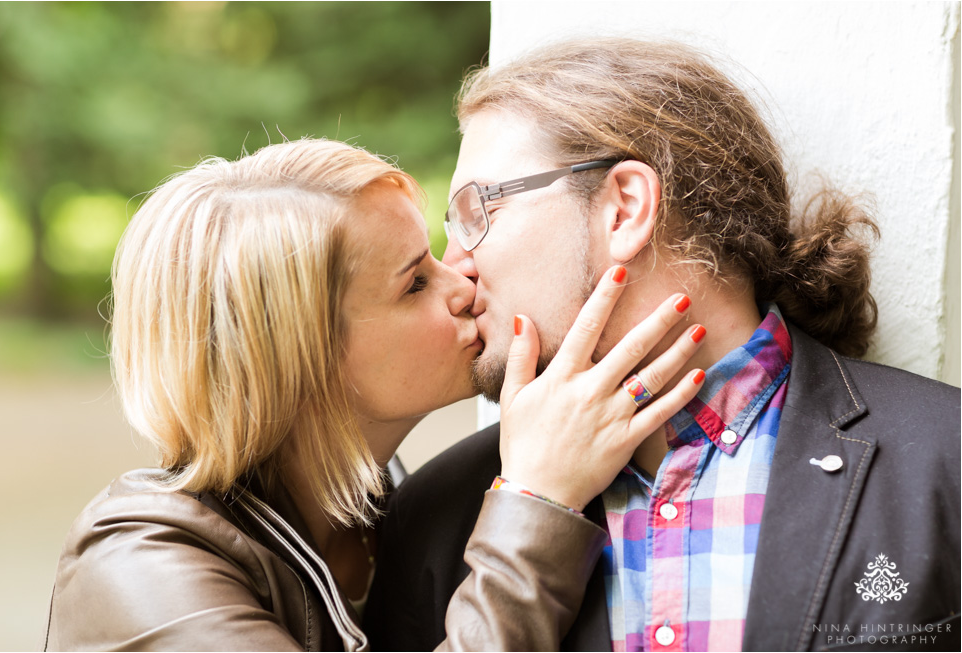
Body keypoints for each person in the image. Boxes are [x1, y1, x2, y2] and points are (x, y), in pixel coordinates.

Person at [364, 38, 961, 652]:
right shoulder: (436, 517)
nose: (455, 265)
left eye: (475, 211)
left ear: (624, 208)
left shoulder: (947, 459)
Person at [43, 138, 710, 651]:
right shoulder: (137, 568)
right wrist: (536, 505)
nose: (464, 282)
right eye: (415, 282)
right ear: (298, 358)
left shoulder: (403, 511)